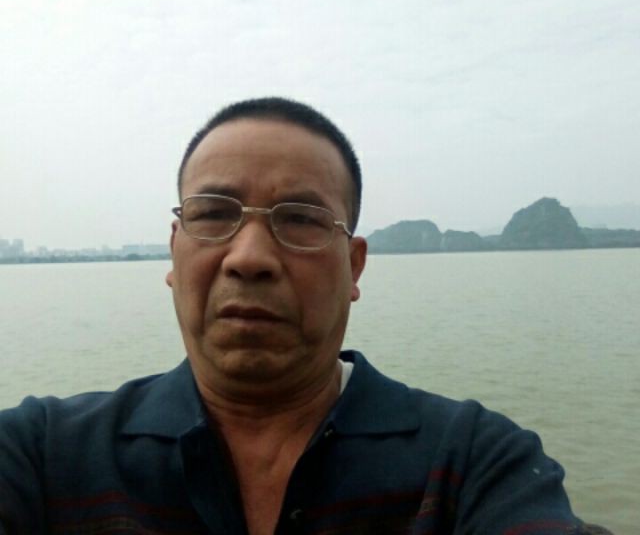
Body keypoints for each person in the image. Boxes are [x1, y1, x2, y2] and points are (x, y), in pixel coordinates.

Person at [0, 97, 611, 535]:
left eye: (299, 219)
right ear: (174, 252)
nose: (249, 258)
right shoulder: (42, 452)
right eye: (213, 214)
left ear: (354, 266)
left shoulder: (473, 464)